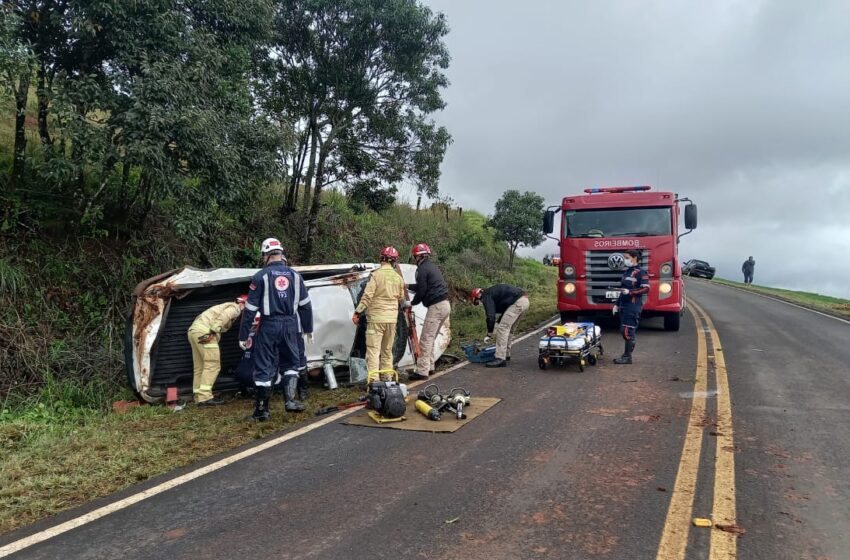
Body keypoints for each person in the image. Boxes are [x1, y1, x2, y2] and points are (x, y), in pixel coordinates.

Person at [238, 238, 314, 422]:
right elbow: (306, 305)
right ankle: (290, 401)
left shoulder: (260, 276)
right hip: (291, 324)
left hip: (268, 325)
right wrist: (308, 328)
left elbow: (249, 310)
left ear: (266, 255)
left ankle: (262, 411)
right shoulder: (296, 276)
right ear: (280, 253)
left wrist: (243, 335)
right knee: (291, 363)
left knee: (264, 365)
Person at [352, 247, 408, 373]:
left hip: (376, 320)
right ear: (394, 261)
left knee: (373, 351)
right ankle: (387, 378)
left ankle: (373, 380)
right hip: (391, 320)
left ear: (381, 259)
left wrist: (357, 312)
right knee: (387, 351)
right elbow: (401, 299)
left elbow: (367, 296)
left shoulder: (376, 276)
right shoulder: (398, 278)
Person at [187, 295, 247, 405]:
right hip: (206, 333)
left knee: (200, 366)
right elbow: (223, 317)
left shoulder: (224, 305)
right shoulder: (235, 308)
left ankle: (198, 396)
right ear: (243, 303)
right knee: (213, 364)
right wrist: (214, 331)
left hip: (194, 331)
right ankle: (205, 397)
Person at [407, 243, 450, 381]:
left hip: (436, 307)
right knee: (430, 337)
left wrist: (411, 303)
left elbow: (422, 291)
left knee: (425, 339)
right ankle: (430, 367)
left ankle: (422, 372)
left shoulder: (421, 270)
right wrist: (407, 286)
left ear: (417, 256)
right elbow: (423, 286)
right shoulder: (431, 267)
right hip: (445, 305)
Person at [470, 285, 530, 368]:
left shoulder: (486, 296)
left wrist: (489, 333)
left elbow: (490, 316)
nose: (480, 303)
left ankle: (500, 358)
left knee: (502, 329)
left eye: (477, 302)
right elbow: (505, 312)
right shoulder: (492, 292)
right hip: (524, 301)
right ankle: (506, 354)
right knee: (509, 329)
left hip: (517, 303)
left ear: (477, 296)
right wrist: (497, 324)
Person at [613, 249, 650, 365]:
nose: (624, 260)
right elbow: (622, 289)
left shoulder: (641, 273)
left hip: (633, 306)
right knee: (623, 330)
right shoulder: (627, 272)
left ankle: (627, 357)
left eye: (626, 257)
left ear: (634, 258)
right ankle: (628, 352)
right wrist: (616, 305)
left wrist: (630, 292)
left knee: (627, 331)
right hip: (623, 305)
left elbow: (646, 288)